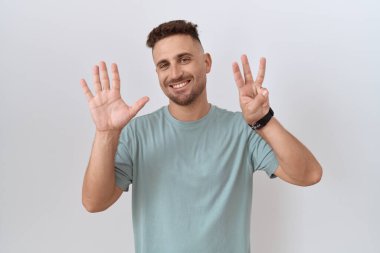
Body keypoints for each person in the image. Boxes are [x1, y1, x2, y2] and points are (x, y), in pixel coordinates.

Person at [80, 20, 322, 253]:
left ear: (206, 62)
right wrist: (106, 133)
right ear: (157, 72)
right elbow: (94, 202)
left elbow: (309, 174)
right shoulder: (137, 133)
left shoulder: (243, 129)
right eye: (164, 65)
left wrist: (264, 120)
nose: (174, 73)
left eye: (184, 59)